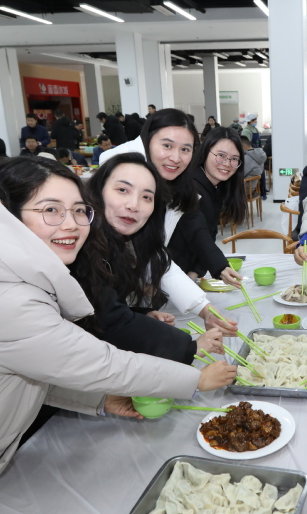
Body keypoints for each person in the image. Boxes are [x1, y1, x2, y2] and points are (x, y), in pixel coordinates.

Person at [0, 156, 237, 514]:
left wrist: (98, 400)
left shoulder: (12, 273)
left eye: (79, 211)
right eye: (51, 210)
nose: (71, 224)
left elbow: (27, 370)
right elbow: (101, 363)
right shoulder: (6, 299)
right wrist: (194, 380)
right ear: (9, 213)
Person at [98, 108, 239, 334]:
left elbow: (156, 253)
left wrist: (205, 309)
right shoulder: (122, 176)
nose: (175, 157)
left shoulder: (177, 184)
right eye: (167, 145)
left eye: (185, 149)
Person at [81, 153, 225, 364]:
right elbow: (105, 321)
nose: (134, 205)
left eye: (147, 197)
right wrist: (190, 347)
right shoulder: (80, 244)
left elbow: (161, 265)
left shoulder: (126, 237)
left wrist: (141, 314)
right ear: (98, 190)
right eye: (122, 190)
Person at [168, 127, 246, 282]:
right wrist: (220, 267)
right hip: (166, 273)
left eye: (234, 159)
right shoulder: (189, 185)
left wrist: (194, 273)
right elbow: (197, 231)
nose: (227, 163)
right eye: (221, 156)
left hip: (183, 275)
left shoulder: (216, 187)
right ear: (205, 152)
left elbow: (210, 232)